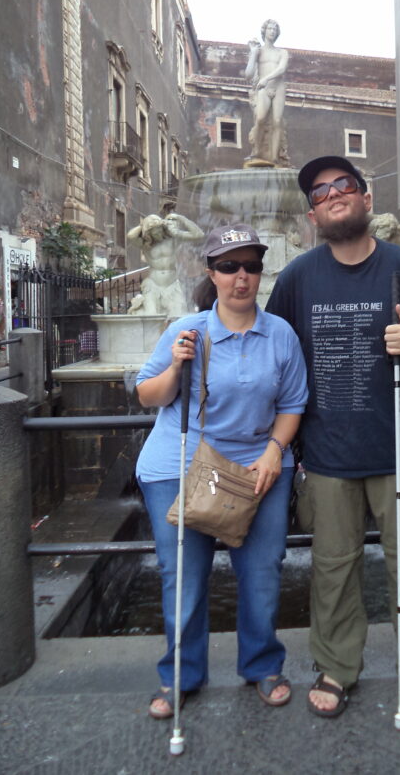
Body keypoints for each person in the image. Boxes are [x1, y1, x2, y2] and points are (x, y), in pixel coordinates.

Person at [266, 156, 400, 717]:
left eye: (343, 185)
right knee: (334, 568)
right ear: (313, 216)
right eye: (320, 192)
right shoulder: (297, 278)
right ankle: (337, 667)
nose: (332, 194)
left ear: (365, 199)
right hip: (327, 455)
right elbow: (271, 345)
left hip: (399, 447)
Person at [135, 224, 308, 718]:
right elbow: (149, 395)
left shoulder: (281, 334)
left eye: (251, 266)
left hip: (258, 468)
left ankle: (261, 665)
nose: (241, 277)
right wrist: (175, 366)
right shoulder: (187, 329)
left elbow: (293, 402)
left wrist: (276, 449)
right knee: (183, 575)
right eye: (230, 266)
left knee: (261, 573)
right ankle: (181, 677)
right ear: (212, 273)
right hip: (181, 465)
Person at [127, 212, 204, 318]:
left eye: (159, 229)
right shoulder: (145, 245)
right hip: (153, 285)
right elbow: (131, 236)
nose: (158, 233)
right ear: (148, 234)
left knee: (178, 318)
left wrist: (181, 218)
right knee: (151, 318)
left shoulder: (173, 239)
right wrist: (144, 224)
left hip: (172, 285)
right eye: (154, 231)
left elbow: (198, 234)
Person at [245, 19, 289, 165]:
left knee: (277, 122)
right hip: (263, 89)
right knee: (260, 118)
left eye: (275, 29)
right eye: (270, 28)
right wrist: (252, 53)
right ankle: (256, 151)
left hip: (278, 87)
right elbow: (248, 75)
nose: (272, 31)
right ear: (264, 31)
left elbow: (282, 69)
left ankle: (274, 157)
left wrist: (266, 79)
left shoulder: (282, 52)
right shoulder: (258, 52)